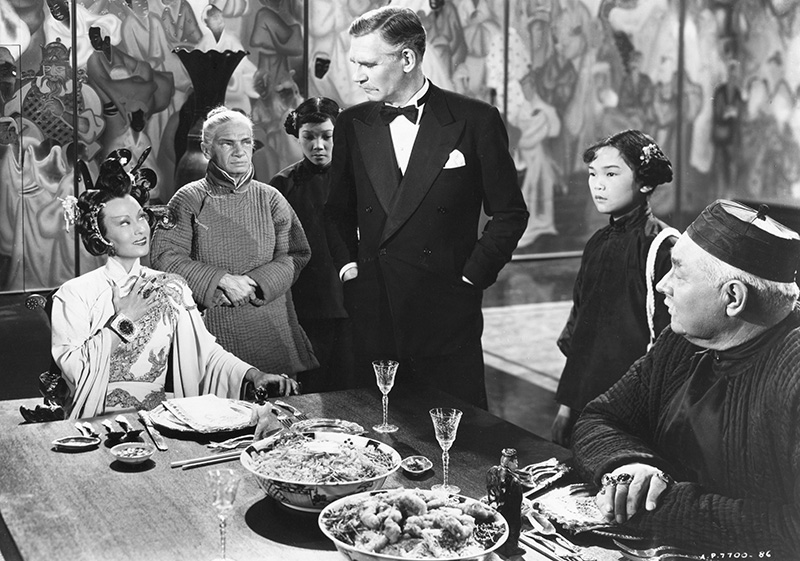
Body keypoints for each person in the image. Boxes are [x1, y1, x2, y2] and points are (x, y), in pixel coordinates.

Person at [324, 6, 528, 408]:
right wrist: (350, 270)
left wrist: (470, 277)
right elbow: (336, 211)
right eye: (354, 63)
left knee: (455, 430)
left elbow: (510, 213)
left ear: (407, 59)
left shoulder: (475, 119)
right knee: (379, 427)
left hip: (446, 312)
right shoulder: (352, 123)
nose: (357, 75)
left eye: (368, 64)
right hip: (374, 308)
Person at [572, 200, 800, 558]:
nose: (663, 284)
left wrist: (659, 504)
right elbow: (600, 418)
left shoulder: (793, 377)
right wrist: (629, 466)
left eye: (679, 272)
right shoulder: (683, 341)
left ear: (733, 298)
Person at [52, 150, 298, 420]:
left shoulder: (171, 287)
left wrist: (254, 375)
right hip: (98, 420)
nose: (140, 229)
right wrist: (125, 319)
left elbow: (204, 354)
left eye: (141, 217)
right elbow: (74, 370)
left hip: (160, 420)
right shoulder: (76, 293)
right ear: (101, 234)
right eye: (124, 223)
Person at [150, 106, 318, 379]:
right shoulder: (188, 198)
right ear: (206, 150)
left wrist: (252, 283)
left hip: (271, 332)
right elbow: (164, 256)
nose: (239, 151)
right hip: (213, 336)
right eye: (227, 143)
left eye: (246, 142)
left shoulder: (270, 198)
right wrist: (223, 280)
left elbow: (296, 254)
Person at [551, 130, 675, 446]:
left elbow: (671, 345)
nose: (598, 184)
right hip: (586, 399)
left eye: (611, 174)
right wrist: (567, 407)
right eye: (593, 174)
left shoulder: (663, 247)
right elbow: (580, 331)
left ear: (644, 182)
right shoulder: (597, 243)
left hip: (634, 408)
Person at [269, 97, 354, 392]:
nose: (318, 145)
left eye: (327, 136)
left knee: (352, 386)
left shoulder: (359, 177)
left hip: (351, 299)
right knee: (311, 386)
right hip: (304, 301)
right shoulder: (282, 185)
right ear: (298, 136)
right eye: (309, 137)